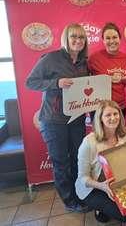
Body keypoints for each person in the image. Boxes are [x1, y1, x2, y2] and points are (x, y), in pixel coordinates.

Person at [26, 23, 89, 212]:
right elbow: (31, 82)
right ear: (66, 38)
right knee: (61, 161)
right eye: (74, 37)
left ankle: (80, 194)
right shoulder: (51, 58)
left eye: (81, 37)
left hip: (76, 120)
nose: (78, 41)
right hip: (53, 121)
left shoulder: (84, 62)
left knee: (78, 158)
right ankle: (70, 201)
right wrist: (56, 82)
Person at [75, 100, 126, 224]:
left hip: (117, 180)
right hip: (95, 186)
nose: (113, 118)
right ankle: (99, 208)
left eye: (116, 114)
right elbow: (83, 178)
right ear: (100, 118)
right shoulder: (89, 142)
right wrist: (102, 186)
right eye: (108, 115)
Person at [88, 22, 126, 115]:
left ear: (120, 38)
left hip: (119, 108)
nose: (112, 41)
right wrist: (106, 79)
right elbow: (85, 81)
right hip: (99, 108)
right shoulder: (94, 58)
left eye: (114, 37)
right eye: (108, 38)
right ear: (103, 40)